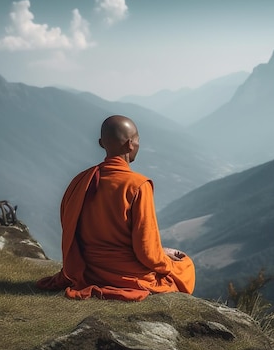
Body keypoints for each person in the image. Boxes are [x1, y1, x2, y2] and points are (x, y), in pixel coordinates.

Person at [37, 115, 195, 301]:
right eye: (137, 139)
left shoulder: (80, 181)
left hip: (86, 270)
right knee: (185, 265)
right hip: (126, 276)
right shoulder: (138, 185)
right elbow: (147, 253)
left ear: (101, 143)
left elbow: (68, 225)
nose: (138, 144)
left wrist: (160, 249)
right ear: (130, 144)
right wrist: (166, 262)